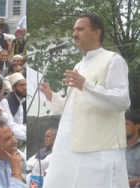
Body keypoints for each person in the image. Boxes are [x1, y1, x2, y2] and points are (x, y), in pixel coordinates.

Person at [40, 13, 130, 187]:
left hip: (100, 150)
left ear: (96, 32)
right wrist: (51, 96)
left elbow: (123, 100)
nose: (75, 33)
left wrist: (86, 85)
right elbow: (73, 107)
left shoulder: (113, 60)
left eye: (80, 29)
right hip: (70, 147)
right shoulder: (79, 65)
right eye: (74, 29)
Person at [0, 72, 26, 141]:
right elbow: (10, 126)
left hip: (21, 129)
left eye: (25, 85)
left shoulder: (24, 99)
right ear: (13, 88)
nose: (25, 88)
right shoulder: (6, 101)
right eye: (21, 85)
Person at [125, 110, 140, 187]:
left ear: (137, 127)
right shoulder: (120, 148)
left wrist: (129, 182)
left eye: (126, 124)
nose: (122, 128)